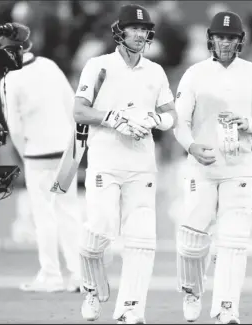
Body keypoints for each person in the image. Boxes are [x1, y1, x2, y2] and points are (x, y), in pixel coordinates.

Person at [72, 4, 177, 324]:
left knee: (143, 239)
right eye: (134, 28)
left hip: (142, 163)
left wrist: (155, 119)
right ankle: (90, 284)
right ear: (120, 31)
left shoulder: (155, 71)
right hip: (105, 158)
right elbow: (79, 112)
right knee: (102, 225)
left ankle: (130, 308)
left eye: (144, 30)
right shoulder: (98, 65)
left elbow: (172, 115)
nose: (140, 34)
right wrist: (111, 118)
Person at [173, 11, 252, 324]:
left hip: (240, 166)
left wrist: (249, 123)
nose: (225, 42)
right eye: (220, 36)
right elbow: (179, 122)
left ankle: (226, 309)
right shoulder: (195, 73)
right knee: (192, 239)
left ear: (240, 40)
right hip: (201, 167)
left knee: (234, 241)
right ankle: (191, 292)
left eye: (231, 37)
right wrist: (191, 146)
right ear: (211, 38)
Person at [0, 37, 82, 293]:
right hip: (66, 150)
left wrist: (25, 154)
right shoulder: (49, 65)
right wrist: (75, 144)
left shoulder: (9, 79)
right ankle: (80, 276)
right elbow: (72, 104)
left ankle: (51, 276)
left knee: (44, 216)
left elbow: (14, 126)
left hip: (38, 155)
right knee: (69, 213)